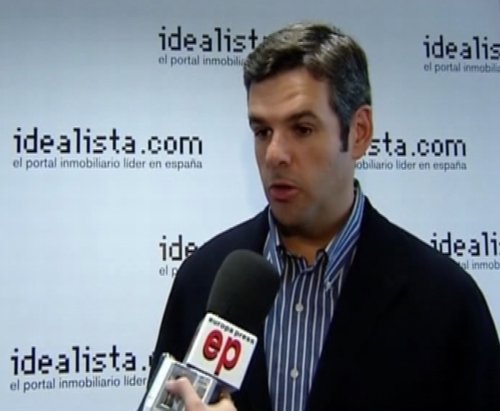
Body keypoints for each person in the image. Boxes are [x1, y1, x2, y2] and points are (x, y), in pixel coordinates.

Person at [145, 22, 500, 411]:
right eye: (262, 131)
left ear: (359, 132)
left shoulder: (445, 301)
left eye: (302, 129)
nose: (274, 155)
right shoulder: (203, 280)